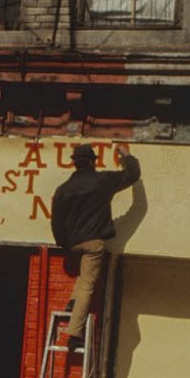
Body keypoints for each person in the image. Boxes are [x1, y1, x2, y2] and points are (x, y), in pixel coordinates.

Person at [51, 142, 141, 351]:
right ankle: (74, 333)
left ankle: (73, 305)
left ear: (75, 164)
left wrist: (64, 245)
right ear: (93, 161)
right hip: (93, 242)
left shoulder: (63, 190)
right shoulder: (102, 182)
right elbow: (132, 174)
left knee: (83, 280)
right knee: (88, 285)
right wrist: (126, 155)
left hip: (72, 243)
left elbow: (56, 222)